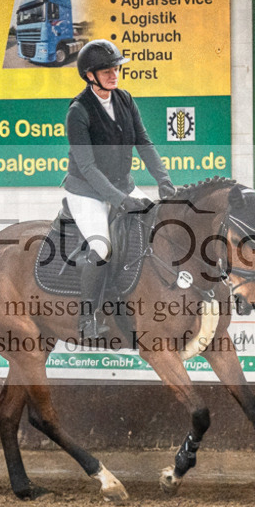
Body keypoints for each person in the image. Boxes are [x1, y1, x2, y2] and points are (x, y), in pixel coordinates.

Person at [64, 39, 176, 339]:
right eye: (107, 71)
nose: (114, 74)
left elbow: (144, 143)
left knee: (160, 226)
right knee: (102, 248)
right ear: (90, 75)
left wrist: (164, 180)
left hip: (123, 185)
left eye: (116, 69)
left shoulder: (125, 99)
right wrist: (120, 200)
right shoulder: (78, 111)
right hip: (86, 192)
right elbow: (88, 167)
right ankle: (87, 318)